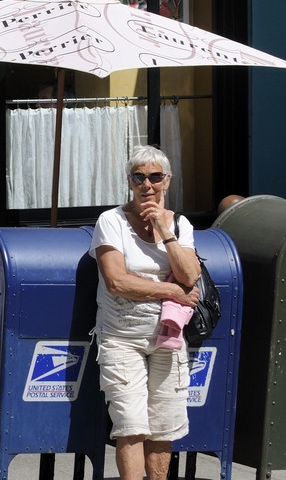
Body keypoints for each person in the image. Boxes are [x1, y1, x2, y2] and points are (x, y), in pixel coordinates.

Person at [91, 145, 201, 480]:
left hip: (168, 339)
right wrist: (172, 291)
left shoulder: (180, 225)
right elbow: (116, 281)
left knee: (163, 430)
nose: (147, 185)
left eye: (154, 177)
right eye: (139, 177)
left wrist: (165, 232)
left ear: (167, 181)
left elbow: (190, 275)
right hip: (122, 338)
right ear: (129, 181)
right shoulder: (111, 221)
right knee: (131, 426)